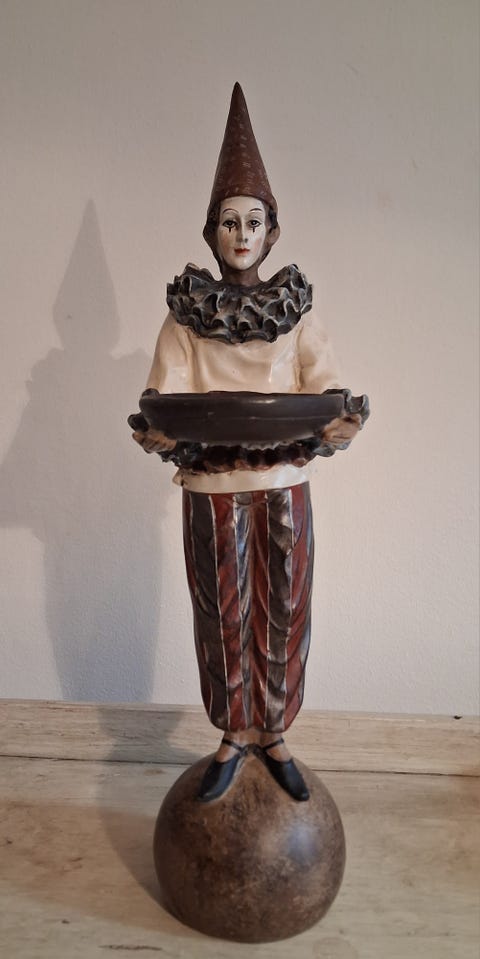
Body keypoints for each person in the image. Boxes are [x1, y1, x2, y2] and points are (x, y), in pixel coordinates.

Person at [132, 84, 362, 803]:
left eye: (253, 221)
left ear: (272, 231)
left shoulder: (296, 312)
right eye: (229, 222)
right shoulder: (187, 317)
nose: (241, 234)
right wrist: (158, 430)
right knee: (223, 609)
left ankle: (276, 729)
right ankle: (234, 731)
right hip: (212, 487)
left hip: (283, 480)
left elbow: (327, 389)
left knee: (285, 604)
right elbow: (163, 399)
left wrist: (339, 419)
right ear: (212, 232)